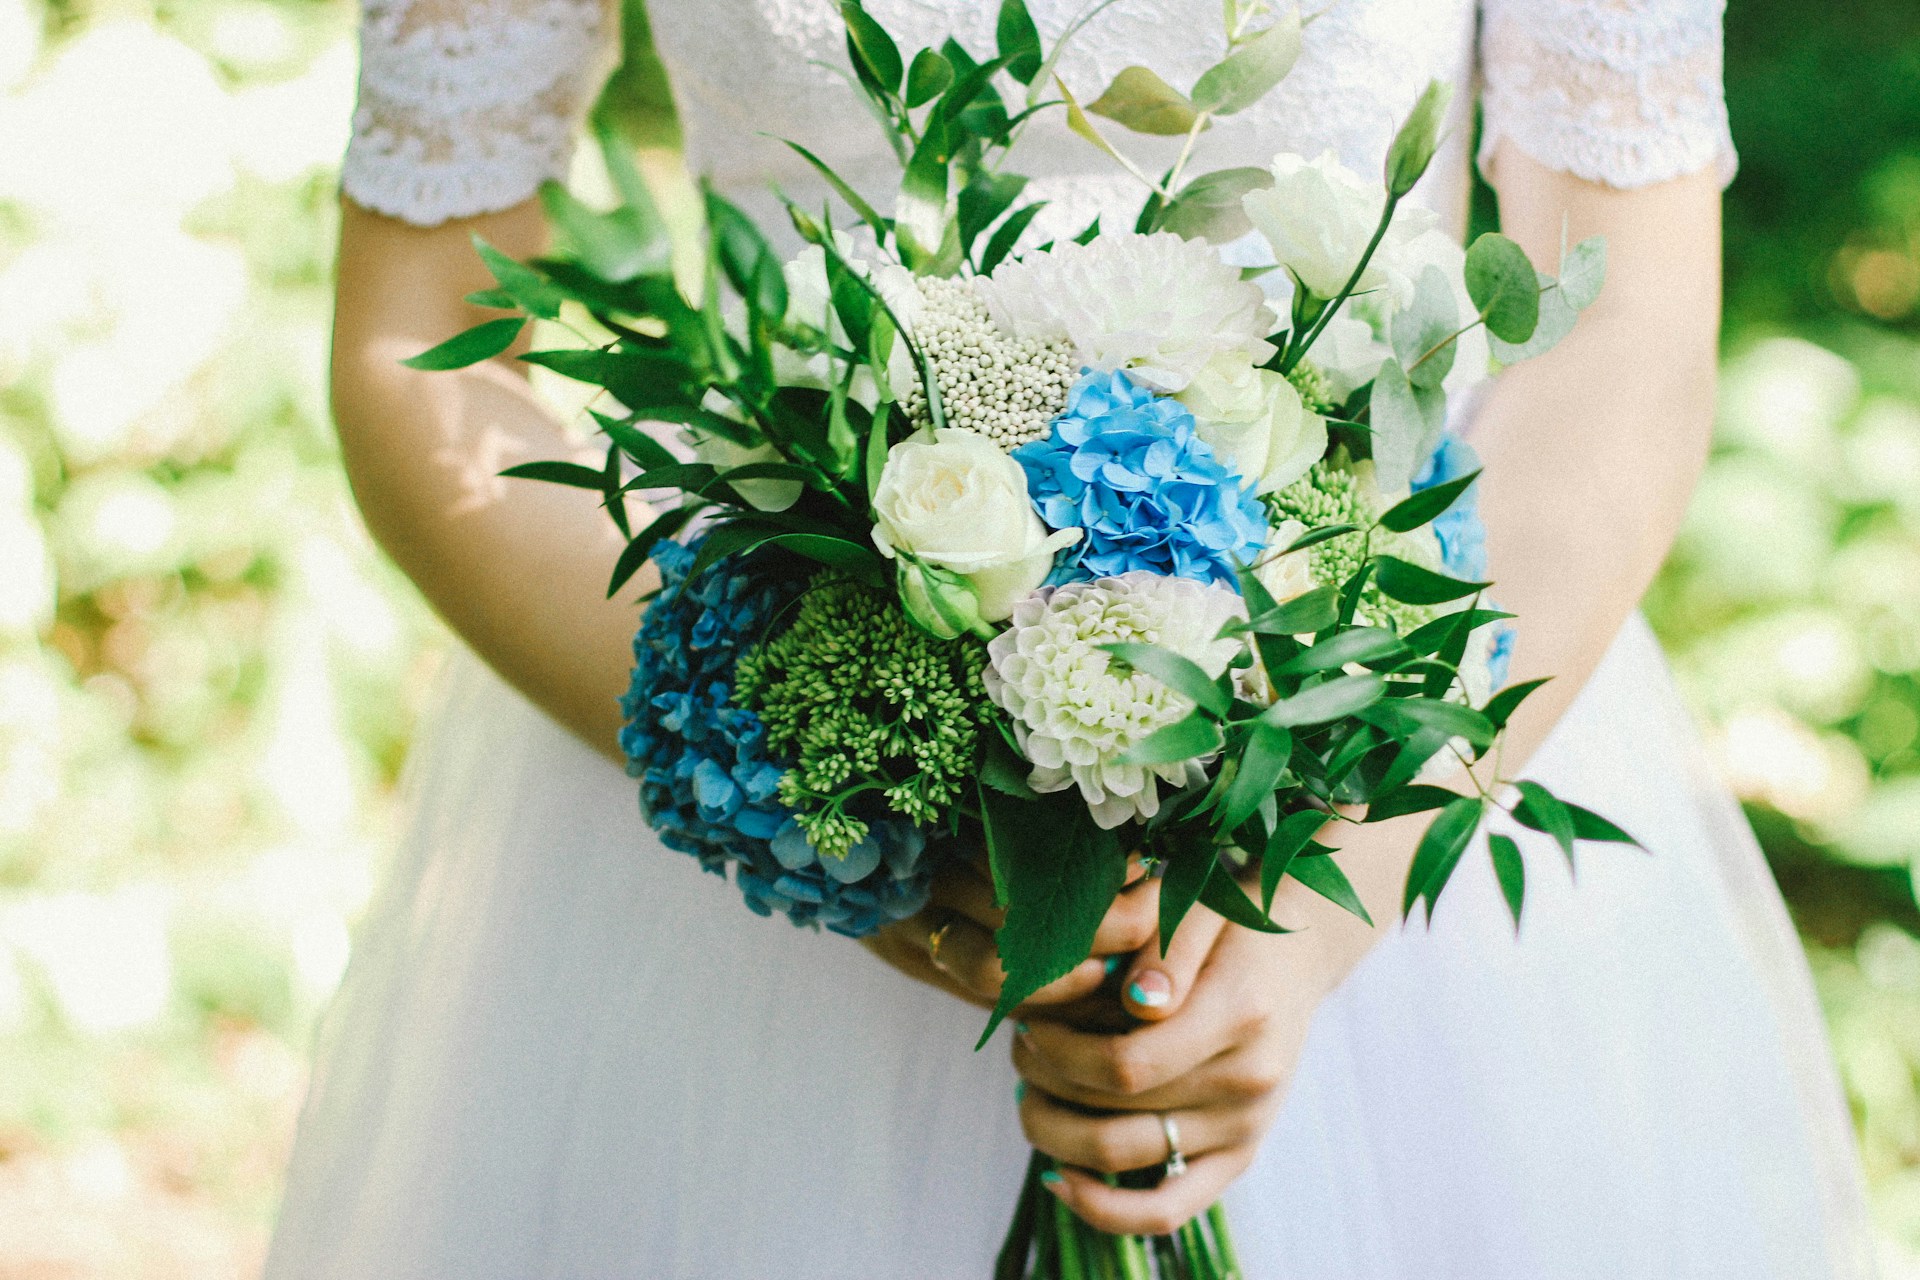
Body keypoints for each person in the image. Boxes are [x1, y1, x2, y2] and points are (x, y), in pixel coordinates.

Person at [267, 0, 1877, 1275]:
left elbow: (1625, 323)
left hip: (1390, 746)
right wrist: (808, 778)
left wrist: (1318, 911)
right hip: (796, 756)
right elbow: (420, 339)